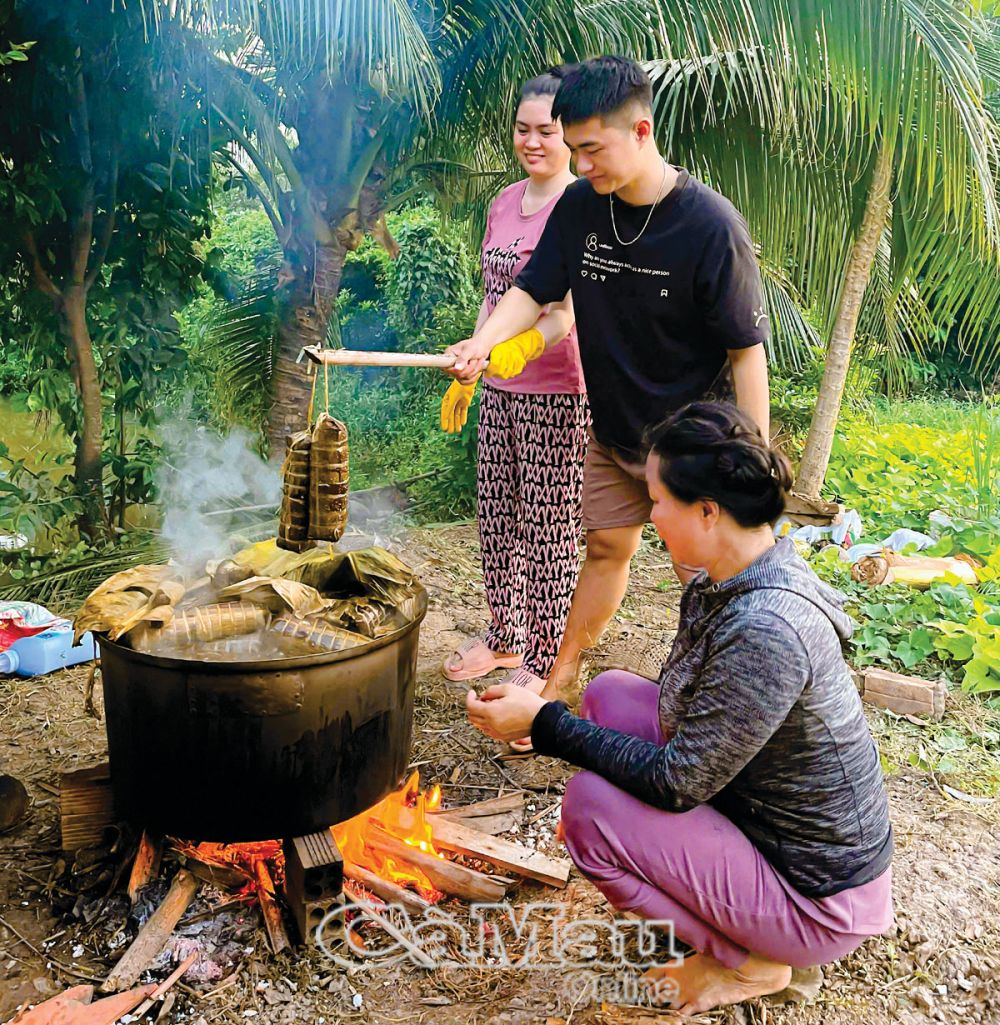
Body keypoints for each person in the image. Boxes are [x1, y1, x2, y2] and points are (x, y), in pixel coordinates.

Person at [466, 401, 894, 1016]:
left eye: (659, 499)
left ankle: (752, 965)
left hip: (818, 894)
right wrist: (556, 721)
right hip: (759, 814)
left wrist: (545, 724)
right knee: (611, 692)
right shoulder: (732, 574)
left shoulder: (767, 628)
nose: (651, 514)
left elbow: (675, 783)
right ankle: (738, 923)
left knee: (589, 811)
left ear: (708, 512)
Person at [445, 57, 771, 710]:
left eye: (592, 149)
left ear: (641, 130)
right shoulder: (580, 207)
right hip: (612, 427)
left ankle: (723, 701)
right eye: (575, 149)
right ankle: (557, 682)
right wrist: (482, 344)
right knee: (604, 548)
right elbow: (534, 288)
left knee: (706, 578)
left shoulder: (710, 226)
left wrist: (750, 462)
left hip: (689, 446)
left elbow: (746, 353)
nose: (582, 164)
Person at [439, 72, 589, 742]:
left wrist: (524, 345)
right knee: (498, 518)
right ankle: (505, 633)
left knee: (550, 529)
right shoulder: (503, 203)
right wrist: (477, 355)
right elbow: (494, 295)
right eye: (523, 128)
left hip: (559, 393)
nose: (533, 141)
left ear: (569, 134)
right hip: (500, 389)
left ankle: (544, 658)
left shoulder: (580, 206)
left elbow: (565, 314)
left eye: (547, 130)